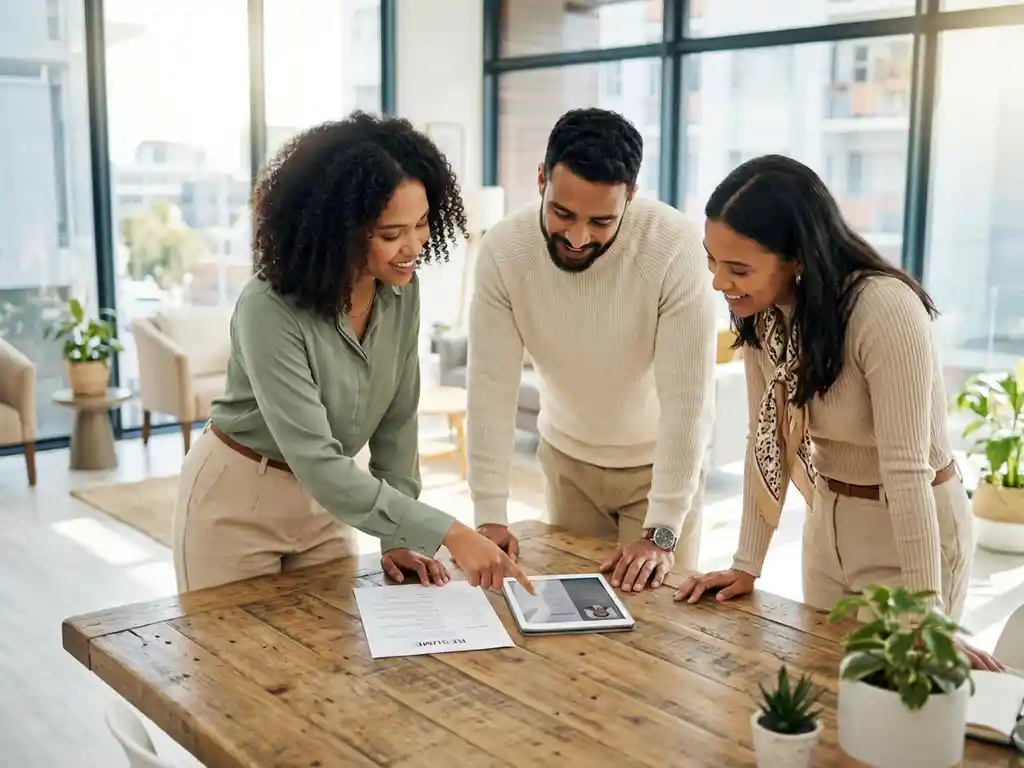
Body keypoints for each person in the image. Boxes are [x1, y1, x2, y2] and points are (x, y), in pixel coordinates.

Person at [172, 112, 533, 597]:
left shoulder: (403, 292)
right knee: (231, 666)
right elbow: (318, 461)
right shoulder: (269, 307)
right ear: (336, 231)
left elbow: (397, 424)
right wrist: (450, 532)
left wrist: (396, 535)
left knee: (332, 663)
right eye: (390, 234)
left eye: (423, 224)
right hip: (237, 504)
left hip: (328, 508)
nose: (413, 247)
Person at [673, 154, 1002, 671]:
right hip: (827, 522)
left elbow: (907, 468)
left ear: (798, 257)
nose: (719, 282)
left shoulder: (883, 308)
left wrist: (925, 614)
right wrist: (746, 564)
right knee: (824, 685)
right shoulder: (765, 317)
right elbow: (768, 442)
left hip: (909, 528)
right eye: (712, 260)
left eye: (738, 268)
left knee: (901, 703)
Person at [466, 108, 716, 594]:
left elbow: (689, 398)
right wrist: (489, 515)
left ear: (632, 196)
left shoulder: (673, 244)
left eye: (601, 221)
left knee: (656, 628)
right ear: (541, 179)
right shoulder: (504, 250)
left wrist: (663, 528)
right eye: (563, 213)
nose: (578, 237)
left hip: (659, 470)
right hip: (568, 466)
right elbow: (490, 388)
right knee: (572, 624)